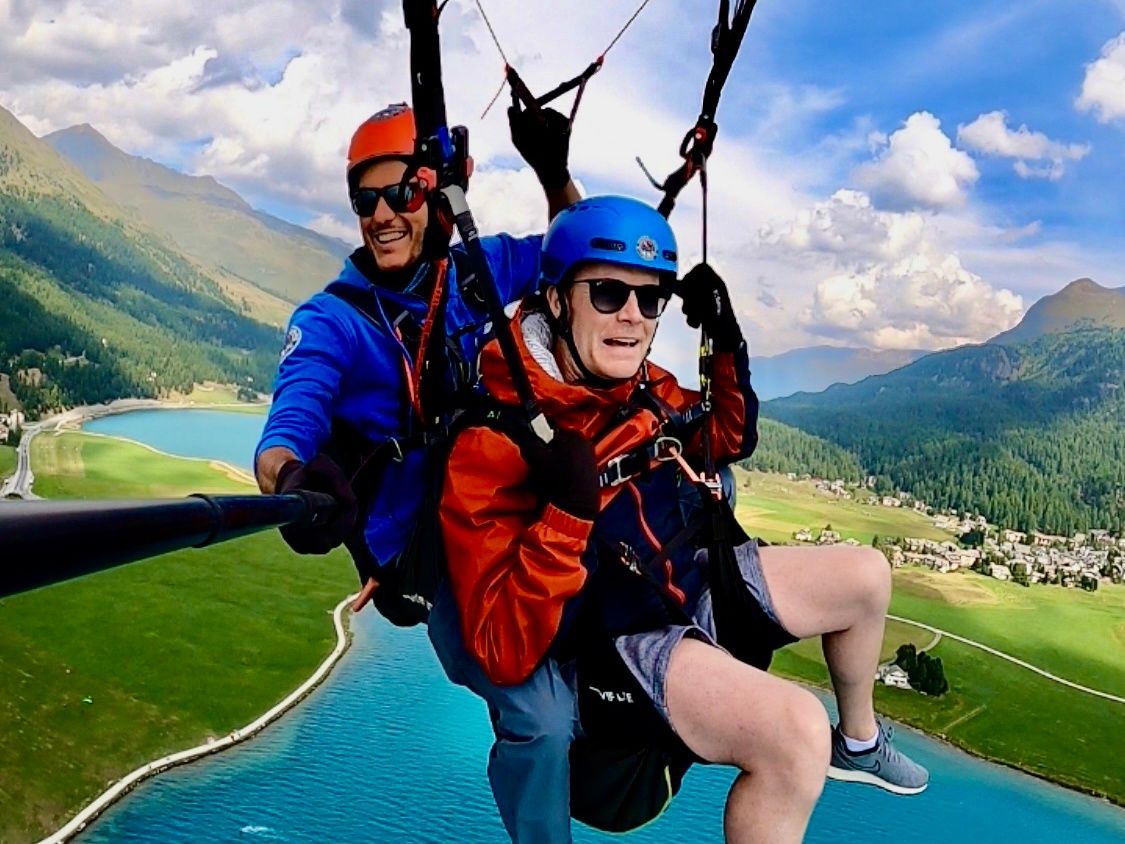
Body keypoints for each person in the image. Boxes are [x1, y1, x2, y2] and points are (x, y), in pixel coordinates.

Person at [434, 195, 929, 844]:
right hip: (621, 637)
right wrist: (565, 515)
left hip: (684, 583)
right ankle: (822, 744)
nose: (634, 317)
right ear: (555, 299)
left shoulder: (637, 383)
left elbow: (723, 437)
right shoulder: (496, 437)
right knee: (793, 734)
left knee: (866, 576)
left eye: (651, 298)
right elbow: (500, 650)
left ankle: (859, 743)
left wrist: (724, 340)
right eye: (608, 294)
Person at [253, 101, 578, 617]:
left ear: (437, 198)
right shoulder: (332, 322)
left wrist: (554, 175)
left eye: (402, 194)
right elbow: (285, 431)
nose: (382, 215)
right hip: (422, 553)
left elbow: (576, 261)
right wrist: (291, 479)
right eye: (366, 201)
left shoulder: (473, 270)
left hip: (493, 505)